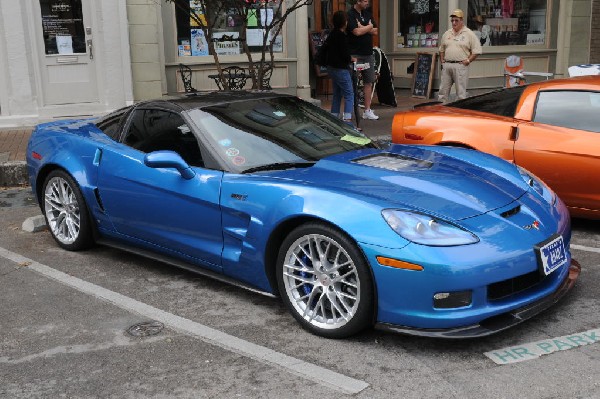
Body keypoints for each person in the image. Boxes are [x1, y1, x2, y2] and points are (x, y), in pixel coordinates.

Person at [438, 9, 482, 103]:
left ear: (461, 20)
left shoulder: (469, 34)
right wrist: (442, 61)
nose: (454, 23)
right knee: (442, 92)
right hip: (447, 65)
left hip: (461, 66)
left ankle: (459, 113)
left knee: (461, 93)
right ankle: (441, 112)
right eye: (452, 20)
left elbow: (477, 51)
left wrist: (468, 61)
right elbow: (441, 49)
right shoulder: (447, 33)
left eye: (456, 20)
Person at [347, 0, 379, 120]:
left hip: (368, 53)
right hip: (355, 53)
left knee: (368, 82)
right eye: (365, 1)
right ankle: (349, 111)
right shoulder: (350, 14)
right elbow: (356, 32)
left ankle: (367, 110)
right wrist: (369, 26)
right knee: (352, 82)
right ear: (358, 1)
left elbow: (375, 31)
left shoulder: (368, 13)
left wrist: (363, 27)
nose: (367, 3)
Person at [324, 11, 355, 124]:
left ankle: (334, 119)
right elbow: (345, 55)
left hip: (331, 68)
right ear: (344, 22)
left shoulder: (331, 34)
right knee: (349, 94)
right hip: (341, 68)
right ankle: (347, 121)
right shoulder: (342, 36)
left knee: (337, 94)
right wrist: (351, 59)